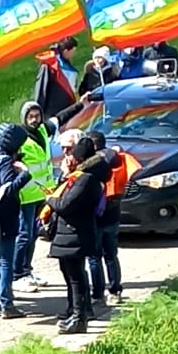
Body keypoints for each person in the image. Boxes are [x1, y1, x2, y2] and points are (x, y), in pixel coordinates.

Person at [47, 135, 107, 336]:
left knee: (76, 277)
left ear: (79, 158)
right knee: (72, 275)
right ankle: (77, 313)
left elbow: (64, 204)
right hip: (70, 234)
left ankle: (79, 317)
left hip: (76, 233)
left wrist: (50, 200)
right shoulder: (80, 177)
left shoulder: (85, 179)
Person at [0, 123, 33, 319]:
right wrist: (24, 173)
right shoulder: (4, 161)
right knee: (5, 261)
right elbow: (8, 190)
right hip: (4, 216)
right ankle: (7, 304)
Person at [14, 102, 58, 292]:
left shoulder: (42, 131)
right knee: (24, 235)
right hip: (25, 195)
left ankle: (27, 270)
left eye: (37, 116)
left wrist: (82, 104)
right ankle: (17, 275)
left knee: (32, 234)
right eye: (30, 116)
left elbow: (61, 117)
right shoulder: (18, 137)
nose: (34, 120)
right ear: (24, 117)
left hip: (41, 193)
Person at [88, 130, 127, 308]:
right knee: (111, 255)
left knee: (94, 257)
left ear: (94, 145)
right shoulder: (117, 159)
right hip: (114, 214)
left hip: (97, 217)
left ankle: (97, 294)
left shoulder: (94, 163)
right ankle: (115, 290)